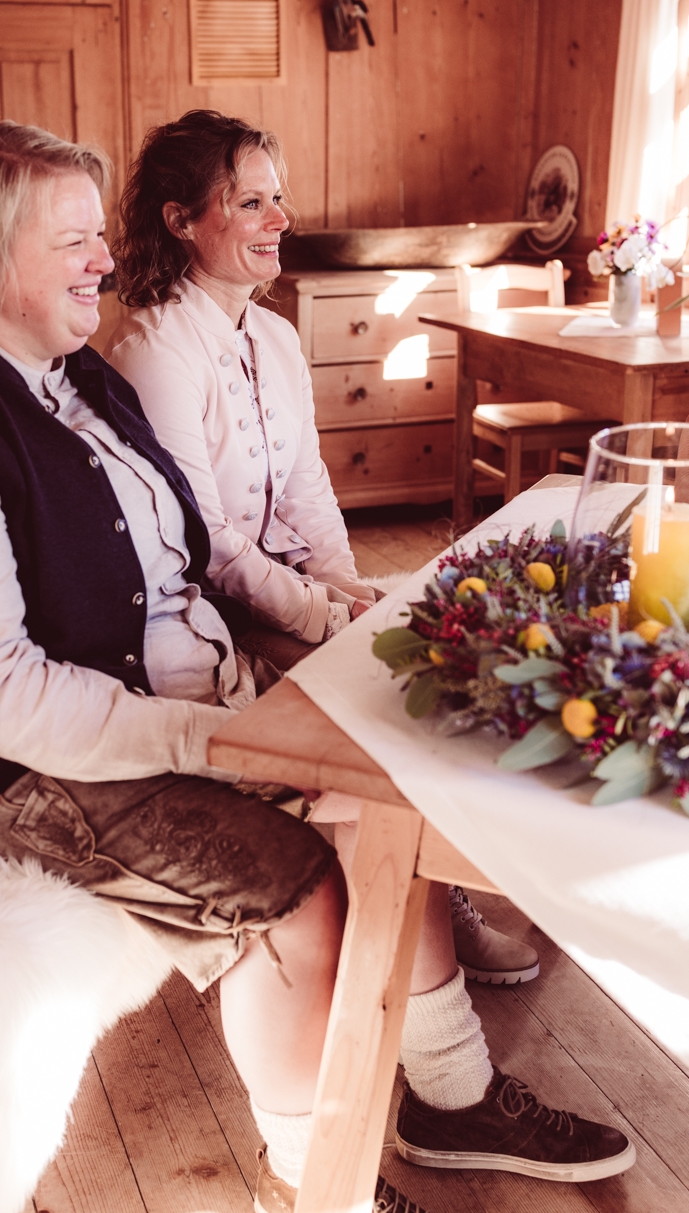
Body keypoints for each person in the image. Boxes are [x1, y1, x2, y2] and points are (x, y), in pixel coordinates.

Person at [0, 122, 633, 1213]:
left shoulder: (62, 370)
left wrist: (264, 679)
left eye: (101, 231)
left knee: (387, 788)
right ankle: (312, 1184)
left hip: (132, 709)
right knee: (293, 891)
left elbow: (173, 567)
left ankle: (450, 1096)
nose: (106, 258)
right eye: (76, 240)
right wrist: (222, 739)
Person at [105, 109, 539, 988]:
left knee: (429, 642)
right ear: (183, 220)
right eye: (252, 202)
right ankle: (423, 920)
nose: (281, 220)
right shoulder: (154, 348)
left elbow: (307, 487)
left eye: (280, 199)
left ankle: (428, 894)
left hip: (285, 580)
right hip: (202, 604)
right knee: (391, 690)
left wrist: (346, 585)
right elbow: (206, 541)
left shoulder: (273, 334)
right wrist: (322, 612)